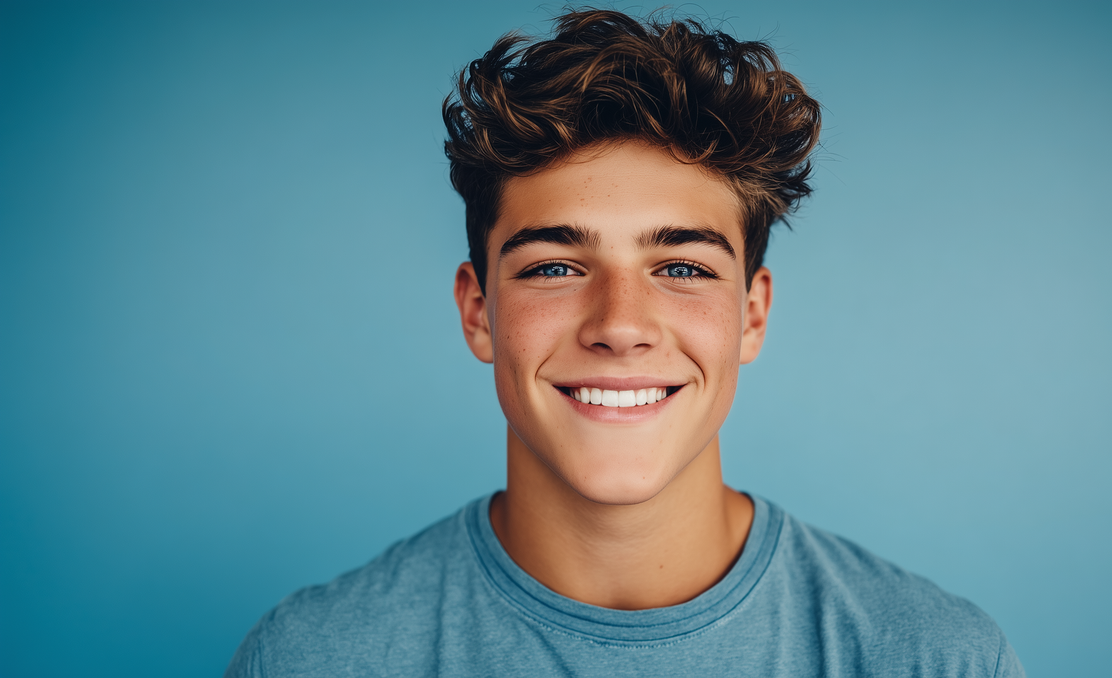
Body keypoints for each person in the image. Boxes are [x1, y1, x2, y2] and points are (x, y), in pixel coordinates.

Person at [226, 9, 1025, 677]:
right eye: (554, 267)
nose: (619, 324)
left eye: (681, 267)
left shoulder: (936, 659)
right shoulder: (312, 659)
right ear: (478, 312)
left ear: (752, 315)